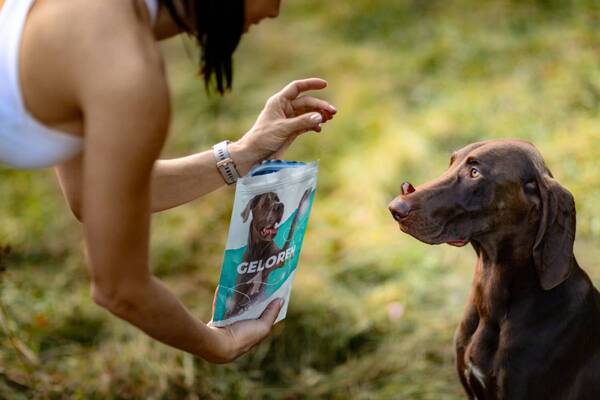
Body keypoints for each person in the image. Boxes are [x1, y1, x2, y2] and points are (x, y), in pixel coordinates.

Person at [0, 0, 336, 363]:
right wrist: (218, 344)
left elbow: (92, 197)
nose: (276, 11)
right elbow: (120, 288)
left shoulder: (105, 29)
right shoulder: (126, 70)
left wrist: (242, 154)